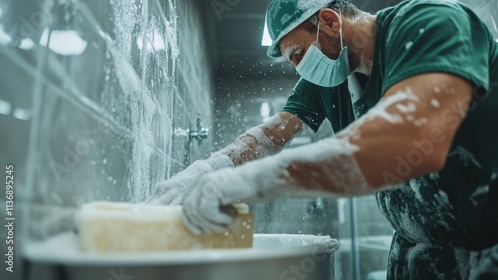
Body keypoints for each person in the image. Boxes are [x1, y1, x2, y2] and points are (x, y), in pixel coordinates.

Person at [149, 0, 498, 278]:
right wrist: (208, 169)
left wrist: (260, 180)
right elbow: (270, 134)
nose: (299, 69)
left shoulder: (429, 22)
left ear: (330, 22)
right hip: (421, 249)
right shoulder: (330, 82)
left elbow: (408, 139)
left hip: (490, 240)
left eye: (298, 54)